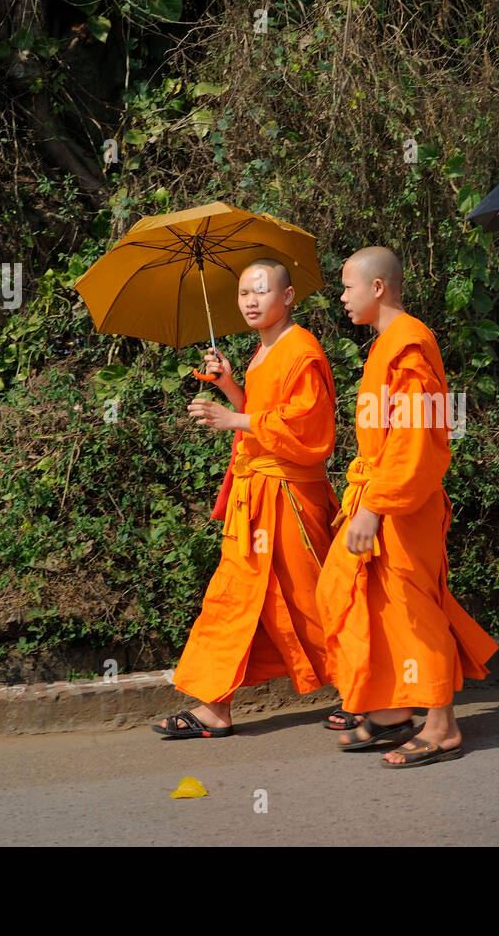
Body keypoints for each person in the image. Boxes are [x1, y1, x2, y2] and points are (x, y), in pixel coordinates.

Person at [315, 246, 498, 768]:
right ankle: (394, 711)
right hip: (379, 496)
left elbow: (415, 441)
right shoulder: (384, 345)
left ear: (378, 288)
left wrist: (375, 506)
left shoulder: (410, 345)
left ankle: (442, 726)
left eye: (348, 287)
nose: (342, 298)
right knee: (357, 599)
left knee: (414, 612)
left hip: (401, 504)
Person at [152, 258, 341, 737]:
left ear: (289, 296)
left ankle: (368, 688)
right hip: (254, 498)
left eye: (261, 291)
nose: (251, 301)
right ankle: (215, 706)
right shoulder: (261, 352)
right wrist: (229, 386)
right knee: (232, 598)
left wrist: (233, 420)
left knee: (313, 598)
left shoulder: (302, 349)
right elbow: (260, 413)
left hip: (290, 497)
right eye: (243, 294)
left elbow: (306, 426)